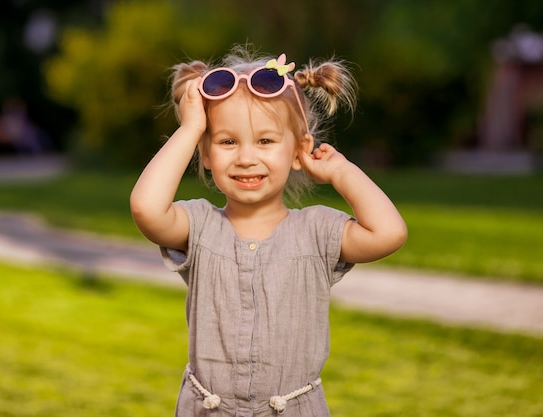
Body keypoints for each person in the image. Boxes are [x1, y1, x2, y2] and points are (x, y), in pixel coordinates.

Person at [130, 45, 407, 417]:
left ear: (298, 151)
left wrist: (341, 172)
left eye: (265, 141)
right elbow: (146, 209)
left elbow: (389, 233)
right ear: (206, 154)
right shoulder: (199, 226)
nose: (246, 157)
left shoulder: (317, 231)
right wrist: (191, 127)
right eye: (228, 142)